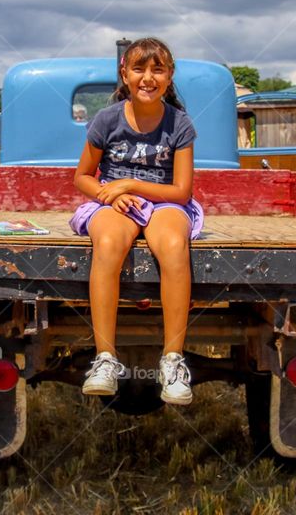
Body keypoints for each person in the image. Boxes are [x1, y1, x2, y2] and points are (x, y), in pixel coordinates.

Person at [70, 37, 202, 405]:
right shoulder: (106, 119)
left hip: (164, 202)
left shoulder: (180, 124)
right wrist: (110, 193)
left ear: (170, 76)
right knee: (109, 244)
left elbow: (181, 192)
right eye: (139, 69)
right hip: (117, 203)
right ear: (124, 74)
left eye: (158, 69)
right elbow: (82, 176)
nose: (148, 77)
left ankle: (173, 362)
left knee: (175, 246)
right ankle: (106, 359)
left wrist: (130, 182)